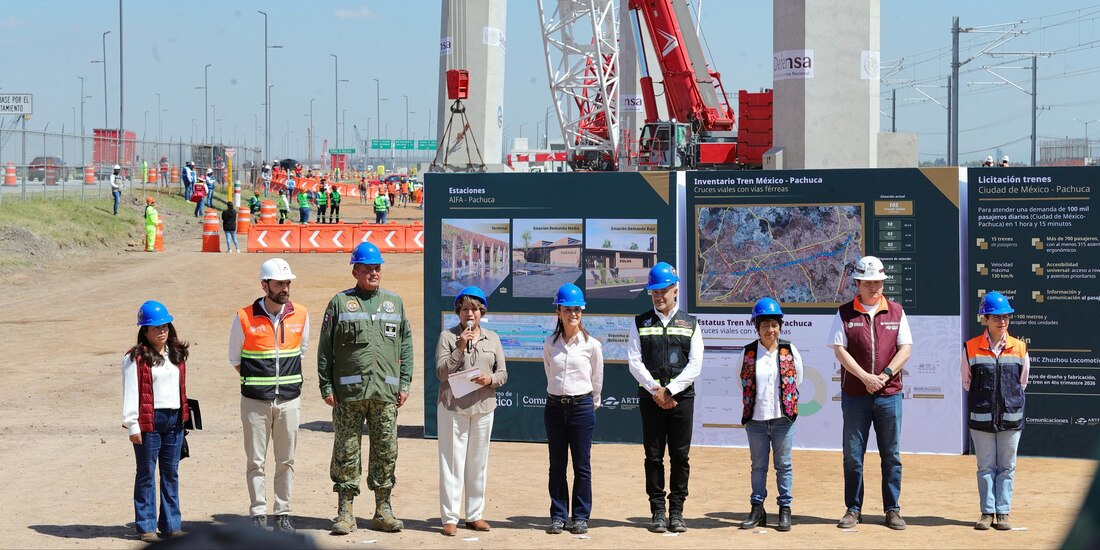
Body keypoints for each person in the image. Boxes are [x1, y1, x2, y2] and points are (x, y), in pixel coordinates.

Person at [318, 242, 413, 535]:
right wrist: (325, 385)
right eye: (368, 268)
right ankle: (345, 512)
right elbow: (325, 349)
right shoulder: (339, 303)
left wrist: (405, 382)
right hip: (348, 394)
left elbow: (406, 344)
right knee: (346, 451)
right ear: (355, 270)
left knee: (385, 451)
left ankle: (382, 510)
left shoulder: (394, 303)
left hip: (385, 393)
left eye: (377, 267)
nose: (374, 272)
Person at [830, 255, 913, 530]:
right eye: (868, 282)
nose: (874, 287)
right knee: (853, 455)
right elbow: (839, 350)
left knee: (891, 455)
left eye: (878, 282)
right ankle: (853, 509)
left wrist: (885, 375)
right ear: (857, 283)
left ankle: (892, 509)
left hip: (890, 395)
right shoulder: (844, 313)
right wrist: (865, 377)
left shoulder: (897, 311)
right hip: (855, 395)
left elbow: (906, 348)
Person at [228, 258, 310, 533]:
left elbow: (302, 350)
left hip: (289, 400)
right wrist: (261, 383)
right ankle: (258, 513)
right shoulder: (244, 317)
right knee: (256, 461)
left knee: (286, 460)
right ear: (265, 285)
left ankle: (283, 513)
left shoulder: (301, 313)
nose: (285, 288)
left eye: (288, 283)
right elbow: (235, 358)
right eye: (279, 284)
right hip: (255, 401)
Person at [626, 262, 703, 533]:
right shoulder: (640, 322)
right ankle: (658, 511)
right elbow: (634, 361)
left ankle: (678, 512)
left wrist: (671, 391)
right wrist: (656, 389)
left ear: (675, 290)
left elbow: (695, 365)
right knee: (654, 457)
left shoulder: (690, 323)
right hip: (651, 399)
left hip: (682, 399)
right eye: (653, 292)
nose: (658, 296)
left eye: (663, 290)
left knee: (680, 457)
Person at [434, 286, 508, 536]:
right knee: (452, 463)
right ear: (459, 312)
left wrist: (491, 380)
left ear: (481, 312)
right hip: (453, 407)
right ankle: (450, 518)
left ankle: (474, 515)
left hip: (483, 407)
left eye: (475, 309)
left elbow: (503, 373)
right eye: (465, 308)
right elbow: (441, 372)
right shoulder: (447, 336)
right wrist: (459, 347)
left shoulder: (493, 338)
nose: (470, 313)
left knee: (477, 463)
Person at [121, 300, 191, 543]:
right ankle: (146, 525)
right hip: (149, 422)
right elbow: (131, 391)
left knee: (171, 474)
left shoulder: (177, 353)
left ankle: (172, 524)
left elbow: (180, 388)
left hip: (174, 420)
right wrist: (132, 424)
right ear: (144, 330)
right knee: (146, 474)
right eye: (155, 328)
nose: (161, 331)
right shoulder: (136, 358)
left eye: (165, 326)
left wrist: (184, 418)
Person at [962, 291, 1029, 531]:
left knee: (1007, 467)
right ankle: (987, 512)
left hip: (1011, 420)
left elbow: (1022, 383)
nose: (1002, 322)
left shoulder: (1020, 348)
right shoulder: (970, 348)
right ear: (985, 319)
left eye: (1006, 317)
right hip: (981, 420)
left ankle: (1003, 513)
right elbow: (967, 382)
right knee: (985, 467)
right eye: (996, 317)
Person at [542, 283, 604, 535]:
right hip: (555, 408)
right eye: (568, 309)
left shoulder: (592, 345)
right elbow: (549, 372)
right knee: (557, 465)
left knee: (582, 465)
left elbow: (597, 379)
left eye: (577, 309)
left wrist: (590, 403)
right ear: (558, 311)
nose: (573, 314)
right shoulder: (550, 343)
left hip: (581, 408)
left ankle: (580, 516)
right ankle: (558, 515)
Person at [738, 298, 804, 532]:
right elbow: (742, 382)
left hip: (782, 420)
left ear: (780, 326)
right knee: (758, 466)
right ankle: (757, 509)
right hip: (755, 421)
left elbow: (798, 380)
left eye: (774, 324)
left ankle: (784, 510)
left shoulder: (789, 350)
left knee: (784, 465)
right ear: (756, 326)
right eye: (765, 324)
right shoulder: (748, 353)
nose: (770, 330)